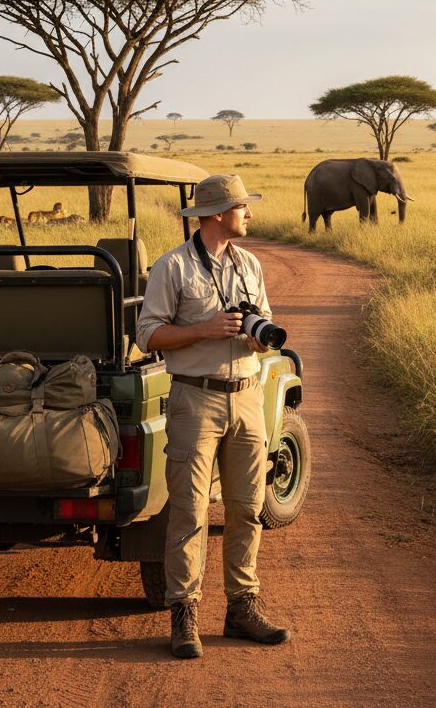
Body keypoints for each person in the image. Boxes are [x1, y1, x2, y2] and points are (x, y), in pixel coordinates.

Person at [135, 173, 290, 659]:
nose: (249, 215)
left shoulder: (250, 264)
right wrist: (204, 330)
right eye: (243, 208)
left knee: (247, 508)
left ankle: (242, 608)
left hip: (246, 395)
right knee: (190, 511)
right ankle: (185, 614)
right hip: (194, 399)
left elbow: (261, 324)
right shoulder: (172, 267)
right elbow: (149, 336)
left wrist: (253, 336)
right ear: (219, 213)